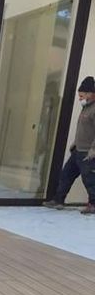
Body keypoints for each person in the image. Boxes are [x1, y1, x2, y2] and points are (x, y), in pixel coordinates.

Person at [45, 76, 95, 214]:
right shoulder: (85, 108)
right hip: (78, 150)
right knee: (66, 175)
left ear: (91, 93)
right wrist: (74, 143)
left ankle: (93, 205)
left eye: (82, 95)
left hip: (87, 153)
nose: (80, 98)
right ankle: (58, 200)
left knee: (89, 179)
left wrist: (93, 150)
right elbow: (83, 129)